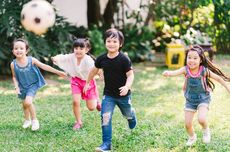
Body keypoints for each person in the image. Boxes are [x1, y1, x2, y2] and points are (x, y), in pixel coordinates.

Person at [162, 45, 230, 146]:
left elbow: (219, 79)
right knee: (187, 124)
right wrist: (168, 73)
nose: (191, 60)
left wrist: (228, 88)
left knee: (201, 119)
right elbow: (175, 72)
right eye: (189, 57)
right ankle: (192, 137)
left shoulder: (204, 71)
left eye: (195, 58)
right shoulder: (185, 70)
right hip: (190, 100)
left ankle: (206, 130)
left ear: (201, 60)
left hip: (203, 99)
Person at [84, 28, 137, 152]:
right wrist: (87, 83)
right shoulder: (101, 59)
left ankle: (131, 116)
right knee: (105, 116)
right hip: (108, 95)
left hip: (123, 95)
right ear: (105, 42)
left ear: (120, 44)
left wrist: (127, 86)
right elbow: (93, 71)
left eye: (114, 41)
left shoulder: (124, 59)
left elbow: (130, 75)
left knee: (127, 113)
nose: (111, 44)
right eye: (109, 41)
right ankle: (106, 144)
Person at [10, 38, 66, 131]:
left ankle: (34, 120)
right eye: (16, 48)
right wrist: (16, 86)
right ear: (13, 51)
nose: (18, 50)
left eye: (21, 48)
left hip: (33, 84)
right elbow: (14, 76)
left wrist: (58, 72)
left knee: (28, 102)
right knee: (24, 104)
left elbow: (44, 66)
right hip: (22, 86)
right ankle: (27, 120)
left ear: (26, 50)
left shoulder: (31, 60)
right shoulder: (13, 64)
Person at [51, 38, 101, 130]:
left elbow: (95, 71)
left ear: (86, 50)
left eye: (81, 48)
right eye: (76, 48)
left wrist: (92, 80)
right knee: (75, 101)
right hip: (76, 81)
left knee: (91, 108)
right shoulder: (72, 56)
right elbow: (63, 57)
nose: (78, 50)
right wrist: (55, 58)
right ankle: (78, 122)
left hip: (88, 81)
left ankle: (97, 101)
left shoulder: (88, 60)